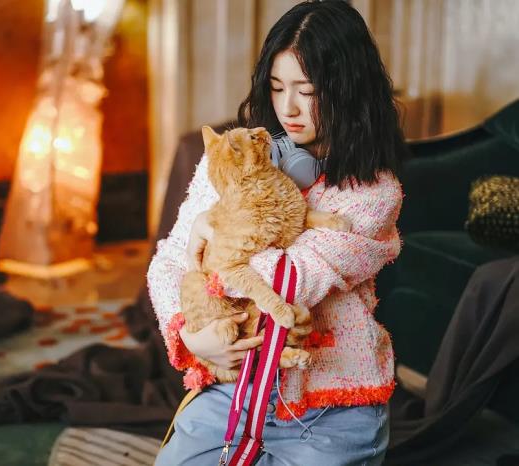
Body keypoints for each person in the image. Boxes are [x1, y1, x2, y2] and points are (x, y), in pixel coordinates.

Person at [147, 1, 408, 464]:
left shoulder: (373, 193)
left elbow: (290, 281)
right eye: (276, 87)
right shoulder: (230, 160)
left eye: (308, 91)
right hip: (234, 389)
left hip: (331, 408)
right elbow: (167, 261)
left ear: (349, 91)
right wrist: (190, 336)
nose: (288, 108)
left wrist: (211, 238)